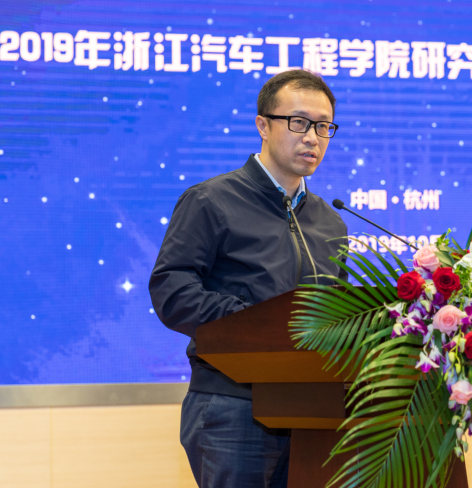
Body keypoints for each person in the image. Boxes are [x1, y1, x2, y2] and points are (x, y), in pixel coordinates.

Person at [149, 69, 348, 488]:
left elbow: (339, 313)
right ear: (263, 125)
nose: (312, 138)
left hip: (311, 409)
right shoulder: (212, 200)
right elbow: (172, 290)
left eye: (323, 126)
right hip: (232, 403)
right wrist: (255, 323)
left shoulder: (330, 221)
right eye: (298, 122)